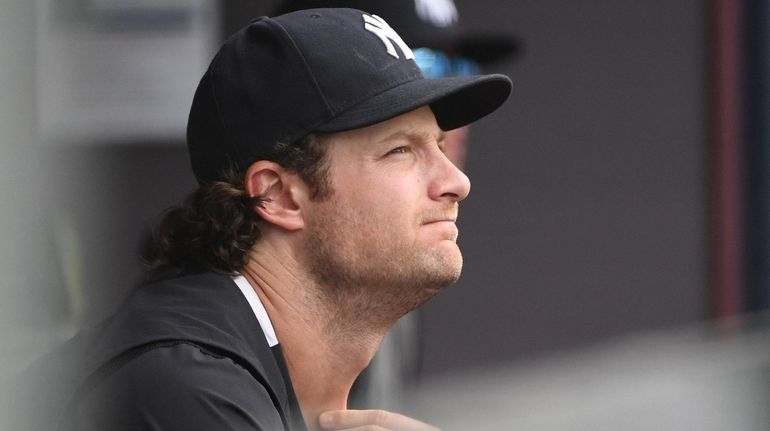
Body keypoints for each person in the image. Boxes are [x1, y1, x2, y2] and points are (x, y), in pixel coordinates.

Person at [59, 8, 511, 431]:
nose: (456, 181)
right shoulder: (188, 387)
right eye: (401, 150)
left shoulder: (229, 360)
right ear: (278, 196)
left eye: (437, 144)